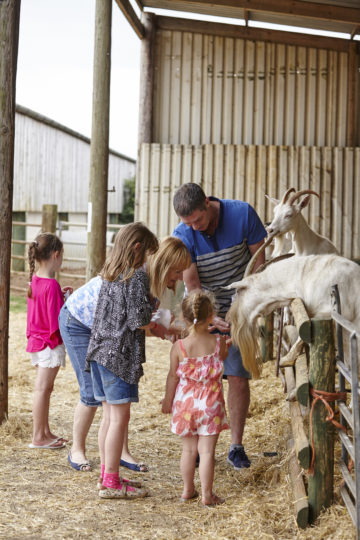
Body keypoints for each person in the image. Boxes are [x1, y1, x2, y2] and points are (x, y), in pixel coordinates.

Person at [59, 233, 191, 471]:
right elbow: (136, 322)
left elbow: (134, 324)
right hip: (78, 321)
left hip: (106, 334)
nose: (180, 278)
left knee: (117, 406)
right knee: (92, 394)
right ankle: (77, 450)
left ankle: (118, 454)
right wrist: (161, 327)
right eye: (177, 271)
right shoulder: (137, 276)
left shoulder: (144, 278)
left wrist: (162, 329)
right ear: (166, 265)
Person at [172, 183, 266, 470]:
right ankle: (202, 443)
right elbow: (192, 285)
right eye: (188, 223)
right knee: (202, 378)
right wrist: (208, 319)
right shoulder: (184, 234)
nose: (195, 227)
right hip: (205, 308)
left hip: (242, 303)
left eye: (198, 220)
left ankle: (236, 446)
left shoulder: (242, 214)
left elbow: (259, 263)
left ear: (207, 203)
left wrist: (244, 309)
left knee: (238, 375)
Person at [85, 222, 157, 499]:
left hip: (100, 353)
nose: (148, 261)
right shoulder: (136, 276)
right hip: (119, 357)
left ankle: (108, 474)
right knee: (119, 419)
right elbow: (139, 320)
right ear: (137, 248)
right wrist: (153, 310)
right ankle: (112, 483)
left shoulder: (110, 274)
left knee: (109, 417)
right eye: (148, 253)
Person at [162, 290, 229, 506]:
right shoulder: (218, 343)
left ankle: (187, 489)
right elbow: (223, 357)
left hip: (185, 405)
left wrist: (167, 400)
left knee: (189, 450)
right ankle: (207, 496)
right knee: (207, 451)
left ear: (183, 318)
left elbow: (172, 376)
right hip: (211, 404)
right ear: (211, 316)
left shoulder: (179, 347)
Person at [26, 233, 72, 449]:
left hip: (37, 341)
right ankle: (38, 436)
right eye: (62, 256)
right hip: (49, 342)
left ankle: (44, 431)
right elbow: (56, 321)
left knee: (44, 389)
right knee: (43, 389)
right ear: (56, 255)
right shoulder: (52, 285)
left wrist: (60, 297)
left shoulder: (35, 280)